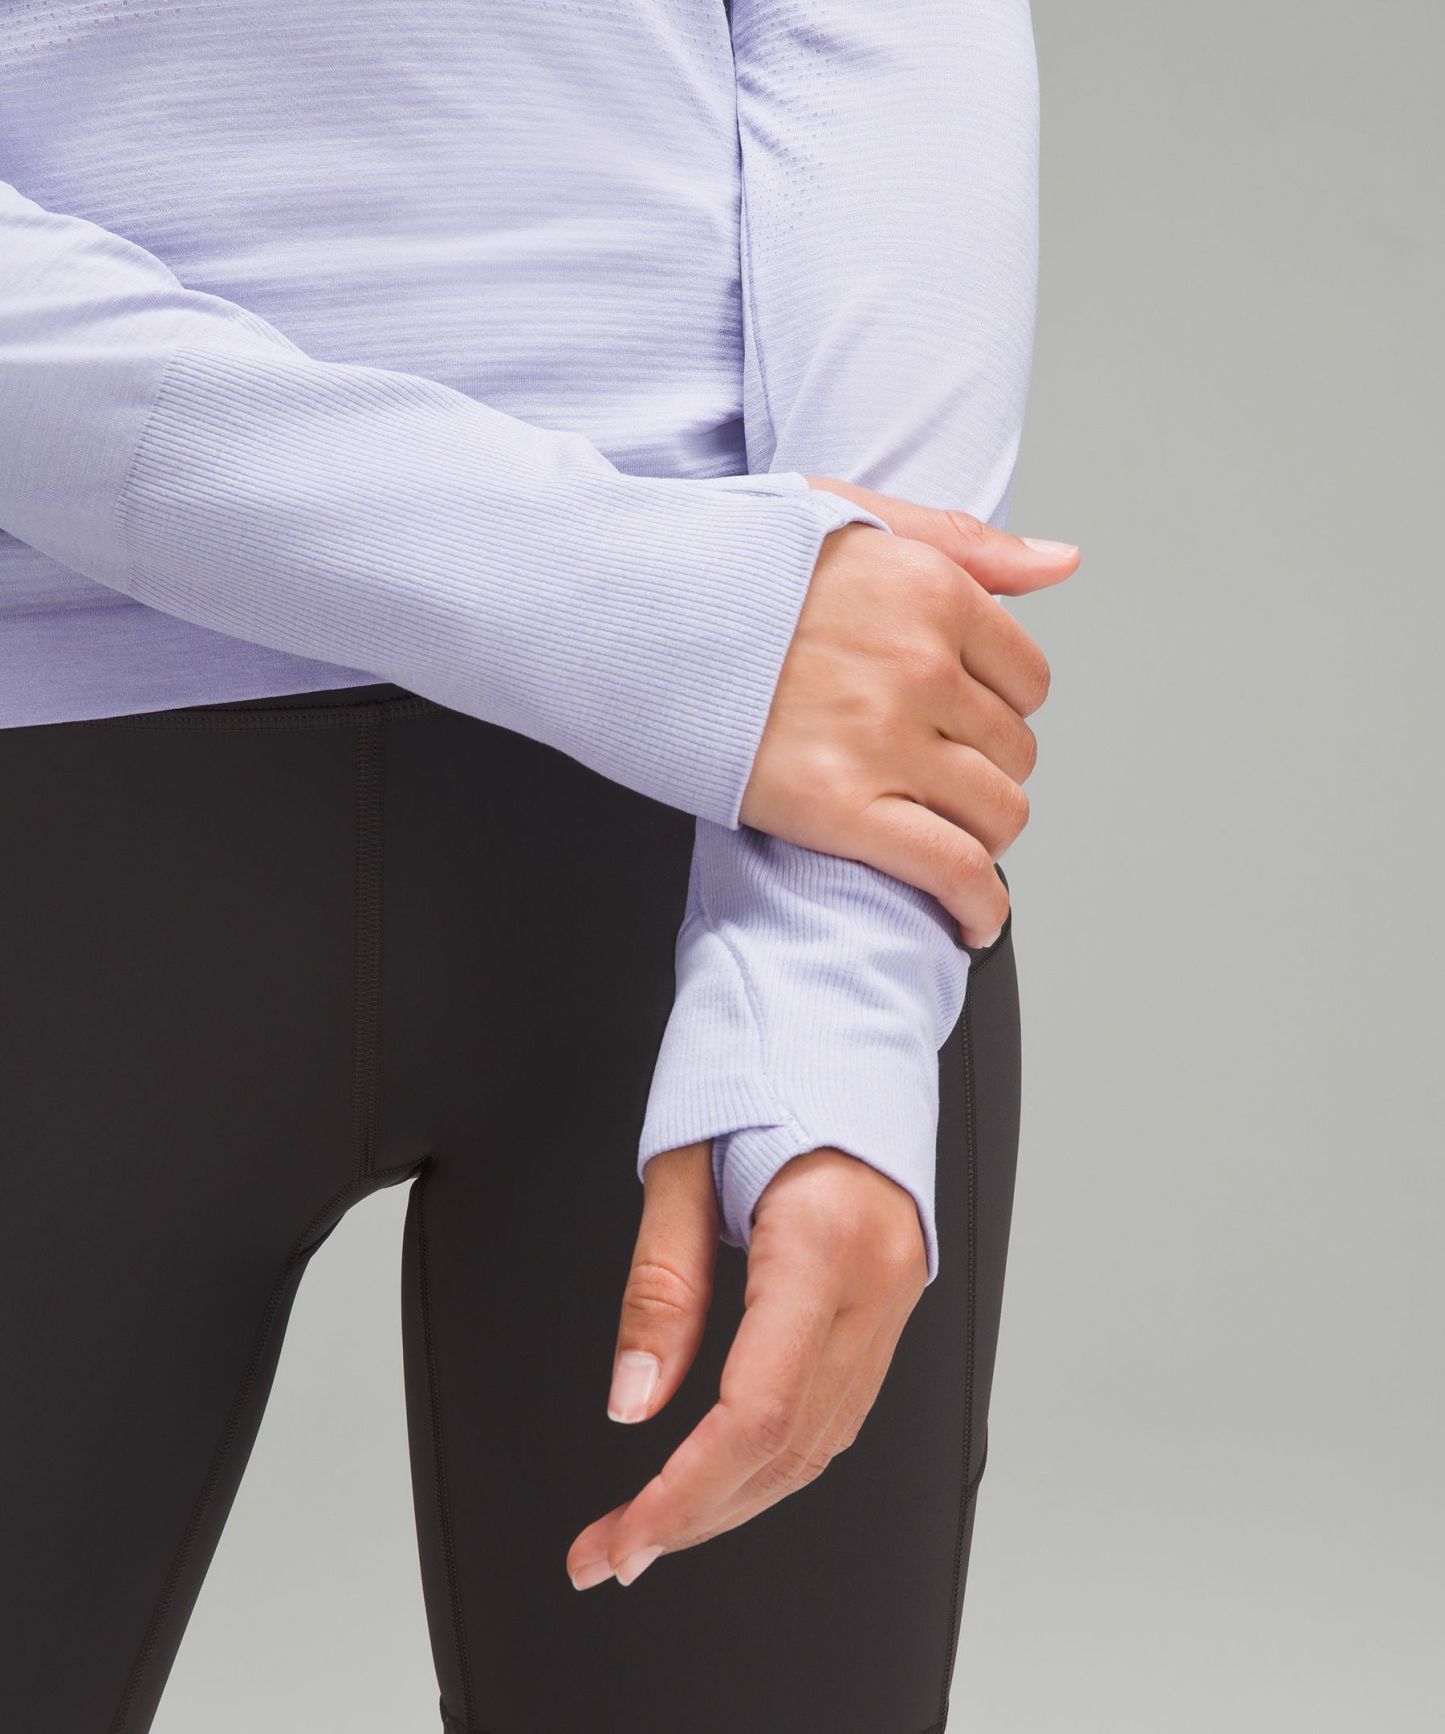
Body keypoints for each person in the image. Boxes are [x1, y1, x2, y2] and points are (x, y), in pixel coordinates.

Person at [0, 2, 1076, 1729]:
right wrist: (673, 613)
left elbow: (885, 38)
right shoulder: (717, 637)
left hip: (740, 810)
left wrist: (834, 960)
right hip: (708, 696)